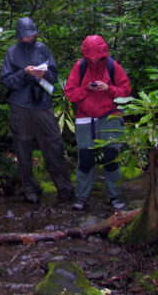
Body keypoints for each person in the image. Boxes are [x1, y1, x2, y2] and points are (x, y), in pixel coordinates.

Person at [0, 17, 74, 204]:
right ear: (19, 36)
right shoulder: (11, 52)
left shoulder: (42, 49)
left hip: (42, 104)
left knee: (54, 145)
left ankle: (64, 188)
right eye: (27, 35)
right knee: (23, 148)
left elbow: (54, 76)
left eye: (32, 34)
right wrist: (24, 73)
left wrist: (43, 74)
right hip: (20, 106)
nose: (30, 37)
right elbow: (7, 80)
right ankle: (29, 189)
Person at [64, 35, 131, 211]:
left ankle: (114, 196)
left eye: (97, 57)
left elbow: (125, 92)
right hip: (85, 116)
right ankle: (82, 198)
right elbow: (70, 94)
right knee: (85, 158)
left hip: (110, 115)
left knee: (111, 157)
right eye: (90, 57)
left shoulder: (112, 66)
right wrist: (86, 89)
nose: (94, 60)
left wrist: (109, 89)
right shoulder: (80, 67)